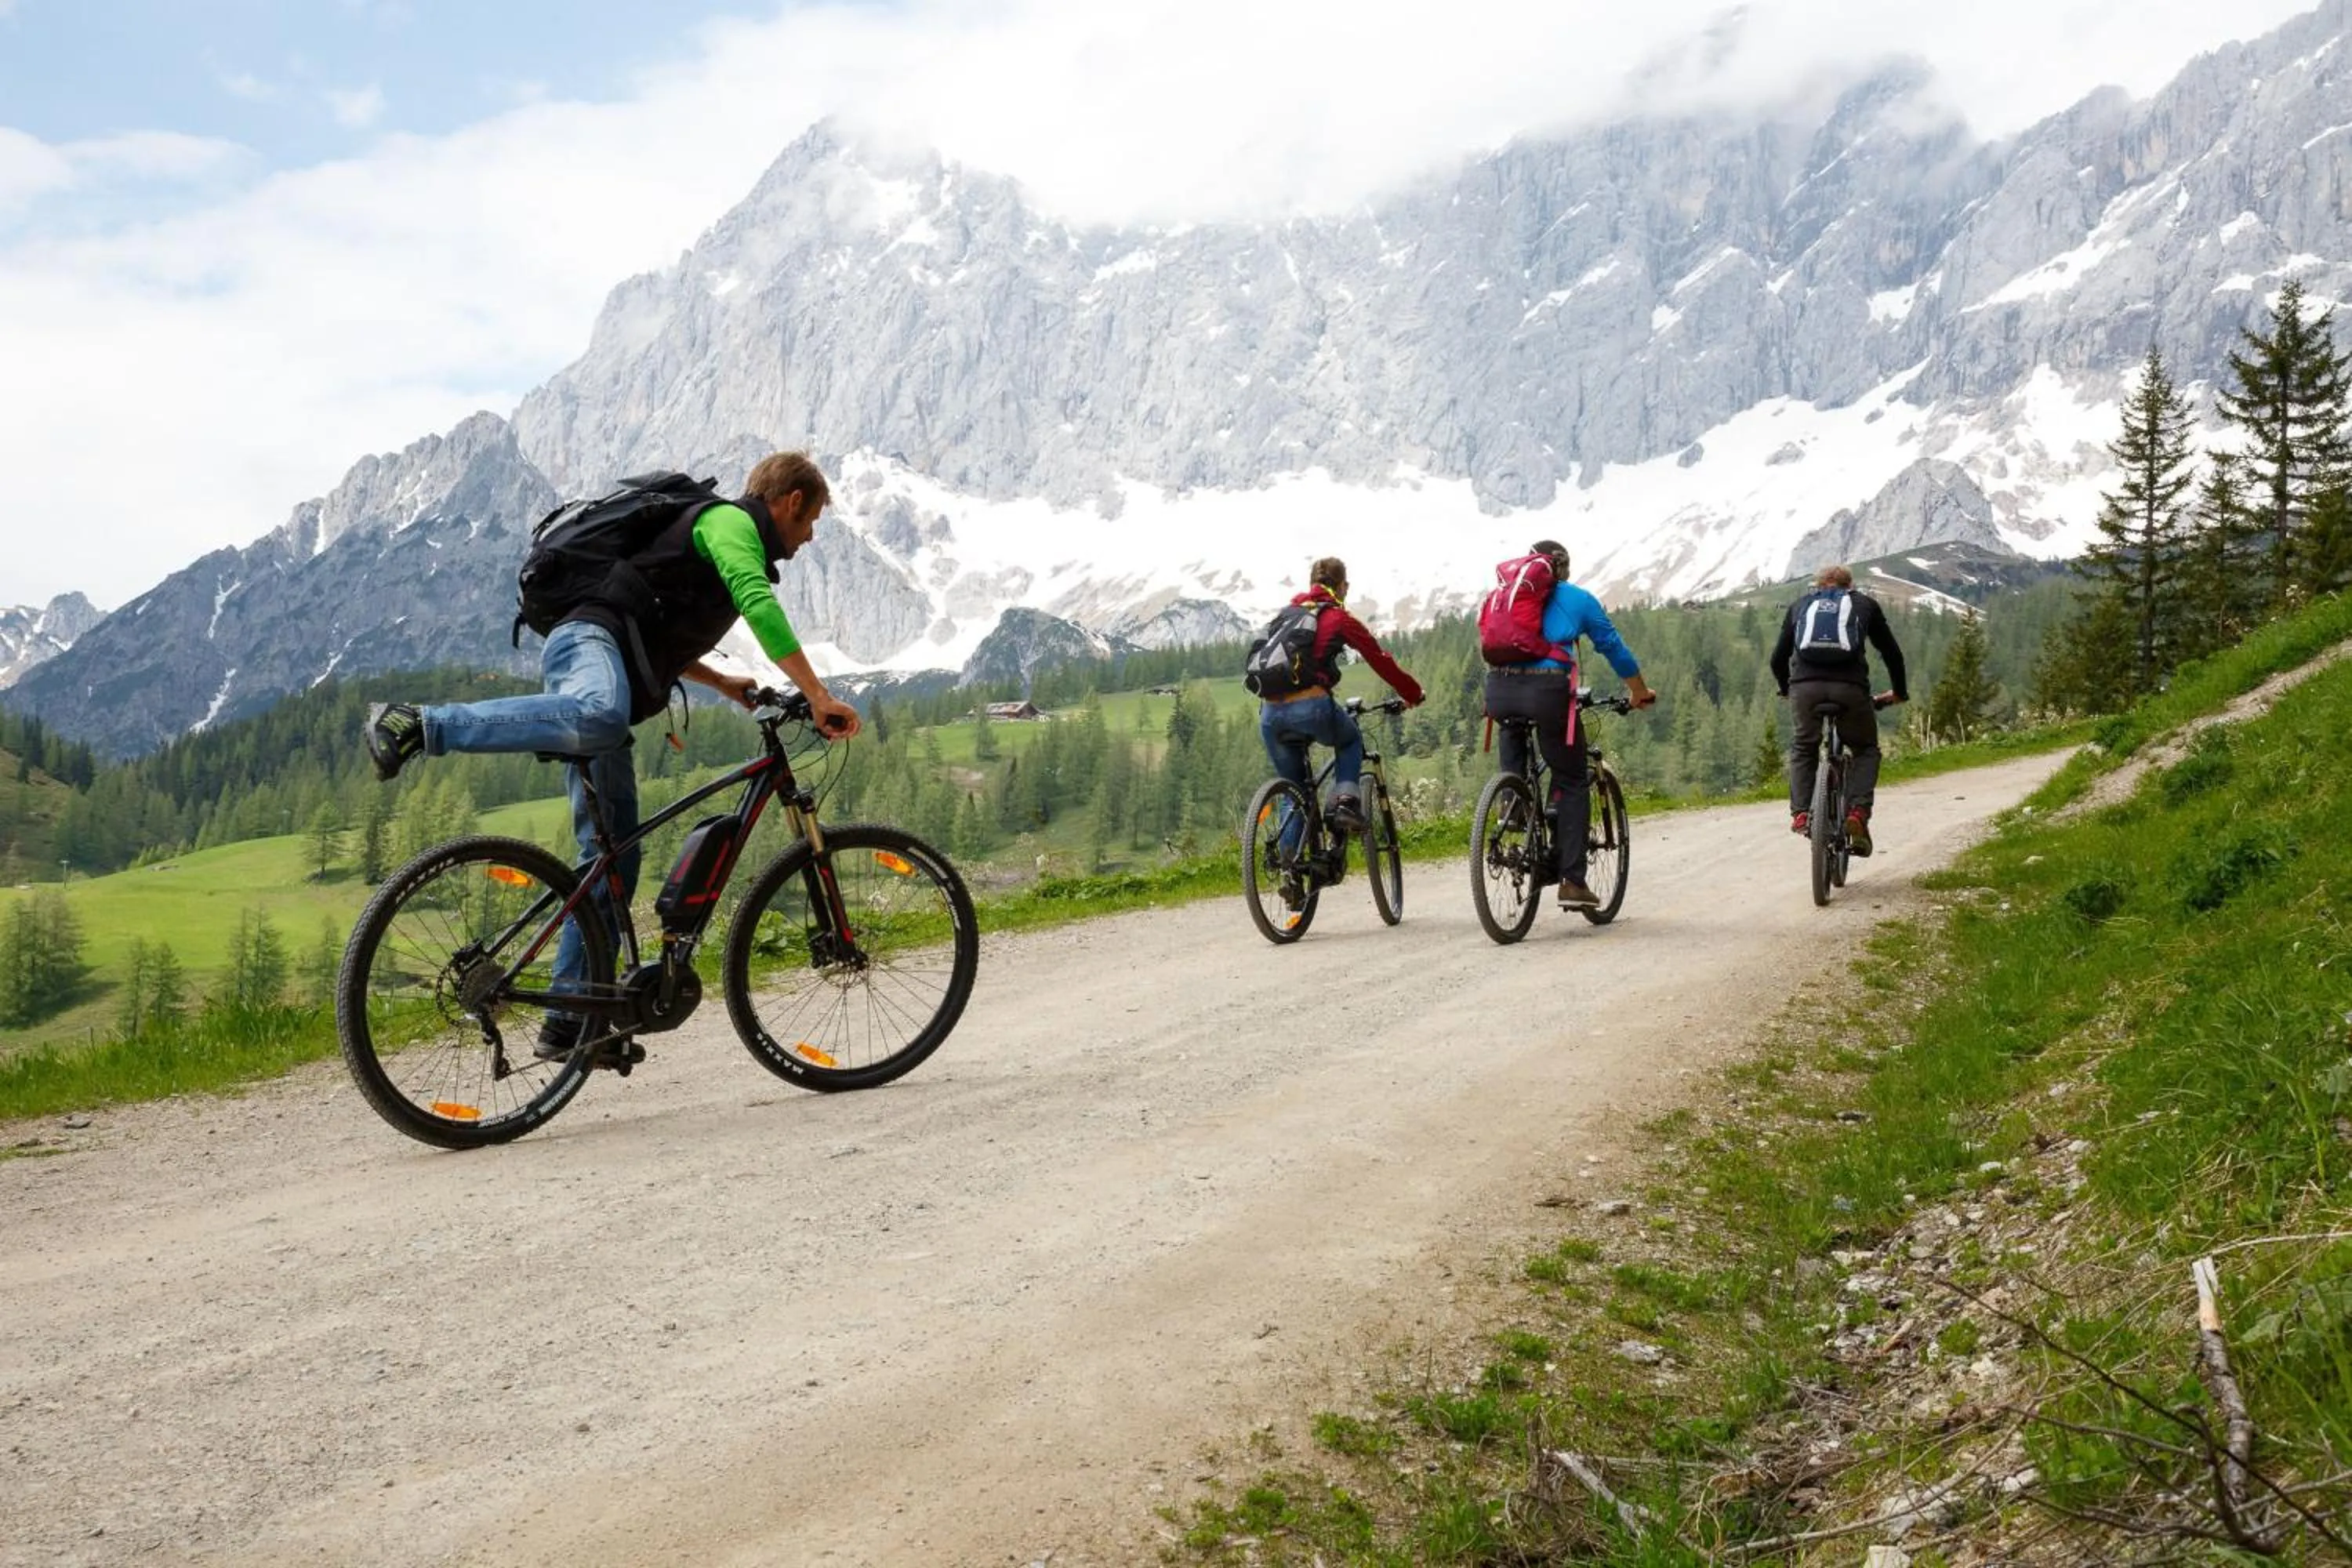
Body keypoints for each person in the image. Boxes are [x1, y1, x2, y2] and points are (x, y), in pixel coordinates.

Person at [361, 450, 862, 1060]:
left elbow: (652, 621)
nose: (810, 538)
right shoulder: (731, 523)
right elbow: (754, 600)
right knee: (598, 715)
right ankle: (421, 724)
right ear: (791, 502)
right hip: (587, 642)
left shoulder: (713, 539)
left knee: (613, 860)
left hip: (605, 652)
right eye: (812, 522)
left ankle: (572, 1023)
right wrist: (818, 695)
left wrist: (723, 683)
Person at [1483, 540, 1656, 910]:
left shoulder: (1504, 598)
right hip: (1547, 693)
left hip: (1499, 690)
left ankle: (1511, 802)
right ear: (1563, 569)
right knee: (1573, 777)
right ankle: (1573, 882)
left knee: (1512, 730)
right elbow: (1613, 647)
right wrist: (1639, 692)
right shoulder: (1578, 599)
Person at [1258, 557, 1425, 834]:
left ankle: (1288, 860)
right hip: (1312, 708)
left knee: (1294, 793)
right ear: (1343, 586)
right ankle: (1345, 803)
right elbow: (1379, 659)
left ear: (1311, 584)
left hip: (1269, 715)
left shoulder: (1286, 615)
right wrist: (1413, 693)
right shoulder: (1338, 617)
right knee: (1350, 740)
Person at [1770, 564, 1907, 856]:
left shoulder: (1801, 605)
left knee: (1804, 746)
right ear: (1850, 585)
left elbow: (1777, 658)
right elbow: (1892, 653)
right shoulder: (1864, 605)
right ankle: (1857, 812)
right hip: (1850, 690)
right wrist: (1899, 692)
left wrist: (1786, 688)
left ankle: (1801, 813)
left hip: (1805, 690)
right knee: (1865, 749)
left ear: (1819, 585)